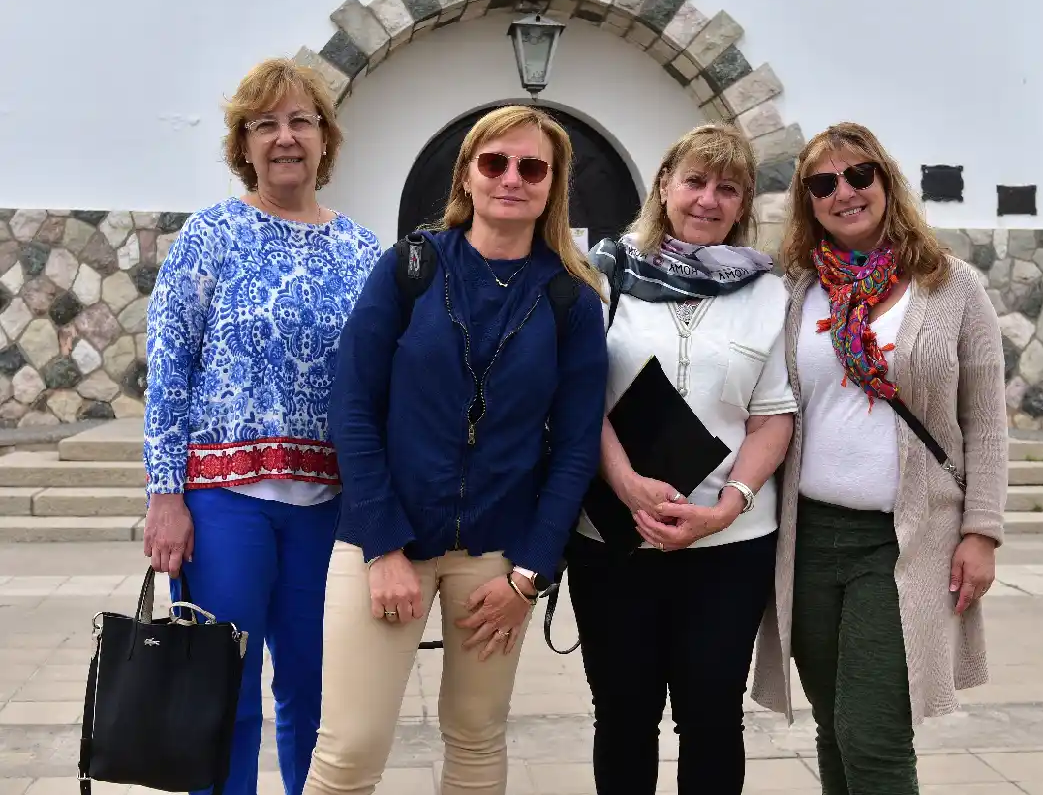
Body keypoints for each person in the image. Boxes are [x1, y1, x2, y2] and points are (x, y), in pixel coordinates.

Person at [303, 104, 608, 795]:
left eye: (532, 167)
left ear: (551, 185)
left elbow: (574, 449)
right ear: (467, 174)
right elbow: (352, 408)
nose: (511, 179)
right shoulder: (409, 267)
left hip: (497, 559)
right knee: (349, 749)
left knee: (475, 739)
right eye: (494, 162)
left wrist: (528, 576)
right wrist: (382, 547)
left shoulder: (571, 299)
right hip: (385, 543)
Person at [142, 58, 382, 795]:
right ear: (243, 144)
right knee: (225, 694)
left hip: (330, 513)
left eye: (300, 121)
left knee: (319, 697)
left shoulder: (363, 251)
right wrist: (165, 493)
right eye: (265, 124)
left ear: (325, 140)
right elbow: (168, 363)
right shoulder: (210, 236)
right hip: (224, 505)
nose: (285, 137)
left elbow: (381, 382)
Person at [750, 122, 1008, 794]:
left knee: (873, 732)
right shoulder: (796, 292)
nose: (845, 191)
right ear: (808, 202)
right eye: (823, 183)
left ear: (886, 182)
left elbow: (986, 423)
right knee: (835, 728)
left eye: (859, 174)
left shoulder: (952, 288)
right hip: (807, 539)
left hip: (904, 540)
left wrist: (982, 532)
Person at [568, 123, 796, 795]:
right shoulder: (603, 276)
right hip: (614, 539)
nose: (708, 199)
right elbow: (579, 396)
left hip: (731, 548)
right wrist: (625, 482)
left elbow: (773, 413)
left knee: (713, 718)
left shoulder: (768, 291)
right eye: (694, 181)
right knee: (623, 715)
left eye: (727, 188)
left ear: (743, 203)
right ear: (664, 187)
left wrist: (730, 506)